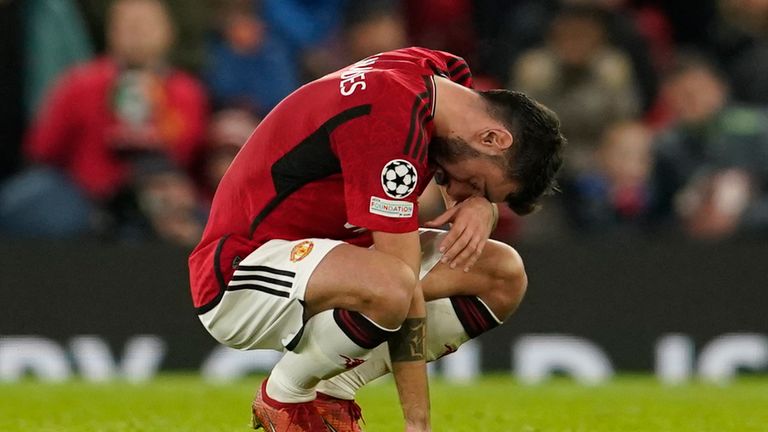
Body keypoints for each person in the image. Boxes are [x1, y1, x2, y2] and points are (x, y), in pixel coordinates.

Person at [188, 47, 565, 431]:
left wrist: (483, 205)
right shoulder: (389, 124)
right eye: (476, 184)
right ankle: (285, 395)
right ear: (492, 138)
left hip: (331, 257)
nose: (460, 193)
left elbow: (451, 152)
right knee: (392, 285)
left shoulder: (441, 76)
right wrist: (417, 422)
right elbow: (404, 288)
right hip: (242, 270)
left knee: (500, 274)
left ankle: (332, 391)